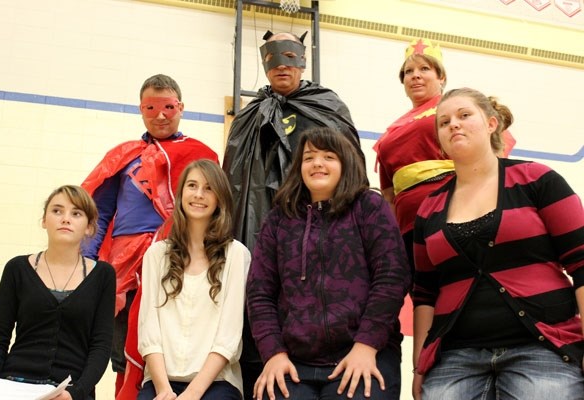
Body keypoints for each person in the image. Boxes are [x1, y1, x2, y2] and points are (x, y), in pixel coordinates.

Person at [412, 88, 584, 400]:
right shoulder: (429, 209)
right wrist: (419, 366)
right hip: (456, 356)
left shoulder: (537, 180)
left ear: (492, 123)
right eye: (444, 122)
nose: (453, 125)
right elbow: (425, 293)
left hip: (542, 347)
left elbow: (582, 264)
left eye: (465, 115)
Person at [222, 31, 365, 398]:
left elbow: (351, 167)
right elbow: (234, 180)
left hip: (325, 231)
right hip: (266, 228)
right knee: (263, 294)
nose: (281, 64)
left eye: (290, 55)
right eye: (272, 57)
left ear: (303, 59)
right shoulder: (250, 115)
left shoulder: (328, 107)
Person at [247, 127, 411, 400]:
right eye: (309, 157)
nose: (318, 163)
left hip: (363, 352)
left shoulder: (369, 206)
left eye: (328, 157)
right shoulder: (279, 219)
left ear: (345, 163)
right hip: (294, 361)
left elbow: (392, 277)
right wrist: (273, 353)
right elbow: (259, 291)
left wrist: (366, 346)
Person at [81, 73, 219, 396]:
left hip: (177, 263)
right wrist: (89, 266)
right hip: (125, 273)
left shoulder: (200, 156)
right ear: (140, 109)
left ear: (181, 108)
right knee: (122, 355)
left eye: (168, 107)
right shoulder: (125, 155)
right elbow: (99, 215)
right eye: (151, 107)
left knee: (169, 347)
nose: (160, 115)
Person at [374, 38, 516, 273]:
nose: (415, 75)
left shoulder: (457, 109)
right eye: (408, 71)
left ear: (441, 77)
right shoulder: (392, 129)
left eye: (425, 69)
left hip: (456, 212)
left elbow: (497, 149)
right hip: (408, 226)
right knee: (424, 296)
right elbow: (389, 194)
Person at [0, 185, 116, 400]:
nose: (65, 219)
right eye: (57, 211)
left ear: (89, 227)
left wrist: (76, 393)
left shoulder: (103, 275)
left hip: (71, 391)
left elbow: (100, 346)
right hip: (14, 385)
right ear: (44, 220)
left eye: (76, 213)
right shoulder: (17, 268)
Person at [136, 159, 250, 400]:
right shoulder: (157, 254)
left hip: (217, 382)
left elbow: (228, 336)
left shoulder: (236, 255)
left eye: (209, 188)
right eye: (192, 185)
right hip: (161, 380)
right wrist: (164, 389)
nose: (199, 194)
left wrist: (193, 393)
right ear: (180, 194)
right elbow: (149, 330)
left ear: (220, 198)